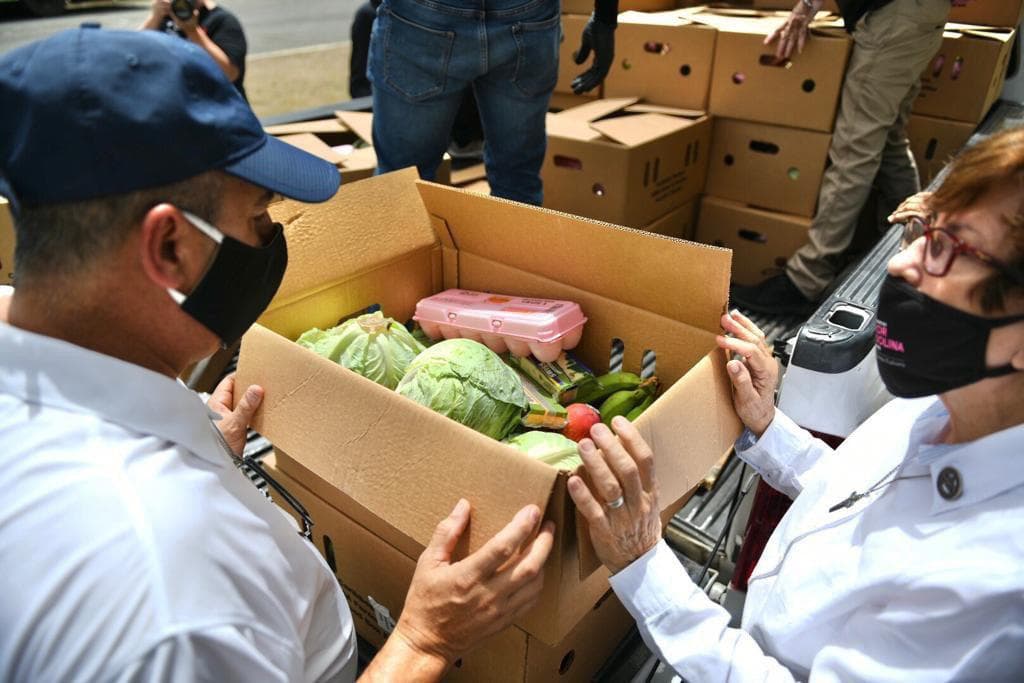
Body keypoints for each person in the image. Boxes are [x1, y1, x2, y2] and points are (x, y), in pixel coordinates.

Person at [0, 27, 554, 682]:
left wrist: (201, 445)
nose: (270, 238)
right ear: (170, 247)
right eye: (258, 217)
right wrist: (424, 641)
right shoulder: (175, 595)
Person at [567, 126, 1024, 679]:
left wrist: (643, 565)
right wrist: (766, 425)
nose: (902, 264)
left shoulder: (993, 588)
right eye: (924, 230)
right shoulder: (942, 403)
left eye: (952, 247)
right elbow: (854, 495)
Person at [731, 0, 951, 316]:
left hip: (895, 15)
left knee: (854, 149)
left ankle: (806, 278)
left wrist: (807, 6)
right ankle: (905, 243)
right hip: (918, 14)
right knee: (888, 138)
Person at [368, 0, 619, 206]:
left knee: (401, 183)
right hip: (528, 14)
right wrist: (605, 18)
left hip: (424, 16)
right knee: (517, 183)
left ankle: (402, 252)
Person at [142, 0, 249, 100]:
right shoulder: (165, 17)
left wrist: (193, 32)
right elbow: (136, 53)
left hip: (216, 105)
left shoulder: (221, 20)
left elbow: (229, 74)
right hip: (177, 103)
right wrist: (155, 17)